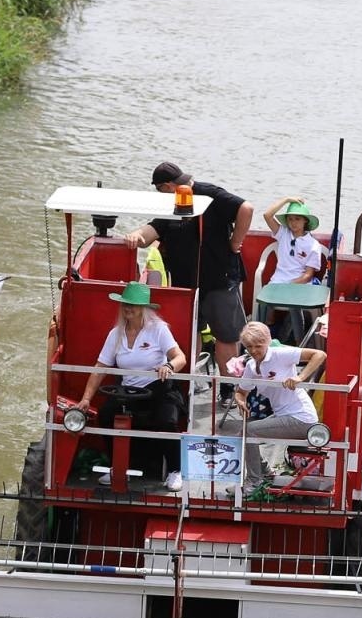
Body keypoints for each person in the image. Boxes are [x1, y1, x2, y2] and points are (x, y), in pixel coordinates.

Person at [121, 163, 253, 384]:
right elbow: (151, 231)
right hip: (186, 285)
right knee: (191, 334)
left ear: (167, 186)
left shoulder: (209, 193)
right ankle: (187, 384)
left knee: (226, 336)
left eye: (160, 190)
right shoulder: (170, 206)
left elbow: (246, 208)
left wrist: (235, 242)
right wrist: (135, 235)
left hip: (219, 280)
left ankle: (230, 388)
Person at [78, 282, 189, 491]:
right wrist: (86, 399)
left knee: (167, 420)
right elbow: (100, 368)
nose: (128, 308)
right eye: (125, 304)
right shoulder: (115, 334)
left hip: (159, 387)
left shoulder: (158, 329)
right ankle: (118, 467)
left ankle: (175, 470)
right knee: (106, 415)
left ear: (144, 308)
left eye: (133, 304)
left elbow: (180, 357)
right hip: (128, 391)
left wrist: (168, 366)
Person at [220, 321, 326, 492]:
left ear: (267, 342)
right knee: (243, 433)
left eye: (258, 346)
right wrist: (240, 401)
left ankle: (254, 481)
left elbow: (319, 354)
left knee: (249, 431)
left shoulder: (280, 354)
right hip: (284, 415)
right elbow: (241, 392)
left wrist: (300, 377)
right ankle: (264, 472)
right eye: (249, 347)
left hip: (302, 417)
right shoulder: (251, 366)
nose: (254, 351)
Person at [261, 197, 327, 285]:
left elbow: (308, 275)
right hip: (277, 281)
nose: (293, 223)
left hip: (300, 284)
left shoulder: (314, 245)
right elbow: (267, 215)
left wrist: (289, 285)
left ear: (305, 220)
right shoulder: (283, 233)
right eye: (290, 219)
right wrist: (286, 200)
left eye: (297, 219)